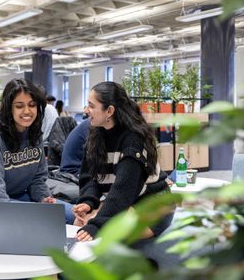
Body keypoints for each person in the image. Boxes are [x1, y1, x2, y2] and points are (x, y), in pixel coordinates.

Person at [0, 78, 74, 225]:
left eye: (32, 105)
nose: (27, 111)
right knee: (38, 220)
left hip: (20, 197)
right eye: (19, 106)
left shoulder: (34, 133)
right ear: (9, 108)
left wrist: (44, 199)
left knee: (71, 214)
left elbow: (38, 180)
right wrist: (37, 212)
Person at [73, 81, 173, 242]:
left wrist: (97, 224)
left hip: (151, 201)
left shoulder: (133, 141)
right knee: (80, 222)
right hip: (124, 200)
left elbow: (123, 190)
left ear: (109, 111)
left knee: (105, 233)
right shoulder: (96, 135)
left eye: (91, 106)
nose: (86, 111)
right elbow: (90, 177)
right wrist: (88, 201)